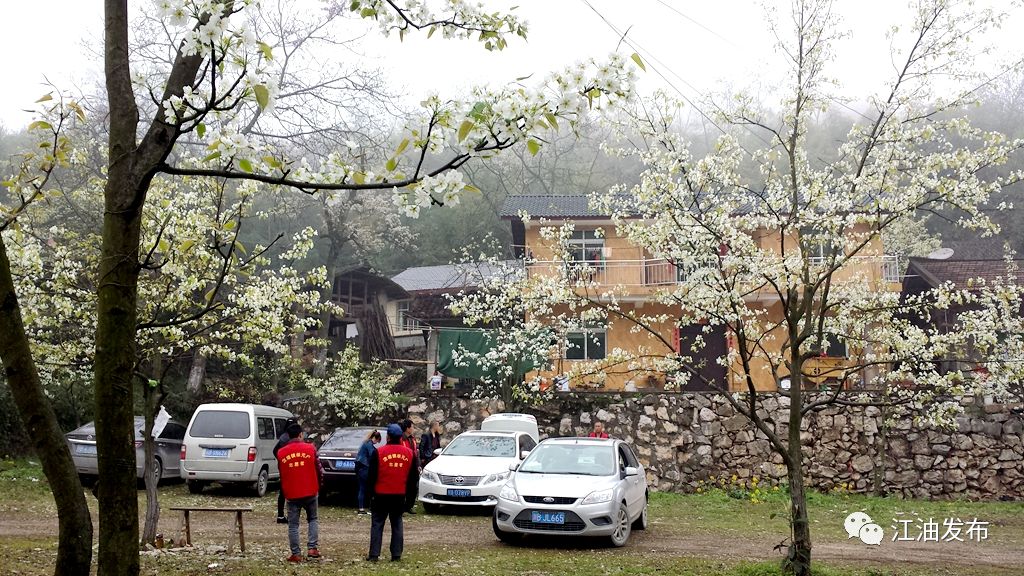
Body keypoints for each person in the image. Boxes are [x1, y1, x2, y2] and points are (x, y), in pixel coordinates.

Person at [366, 423, 418, 562]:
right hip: (399, 495)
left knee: (377, 524)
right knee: (397, 524)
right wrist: (410, 501)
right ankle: (396, 555)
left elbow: (371, 477)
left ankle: (374, 554)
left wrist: (368, 496)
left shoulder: (378, 452)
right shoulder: (410, 454)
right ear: (400, 436)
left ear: (388, 437)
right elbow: (413, 480)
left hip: (380, 495)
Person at [277, 421, 323, 562]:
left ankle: (296, 554)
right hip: (310, 490)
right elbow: (319, 469)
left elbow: (282, 473)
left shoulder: (281, 452)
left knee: (293, 525)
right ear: (300, 434)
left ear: (288, 436)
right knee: (313, 519)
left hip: (292, 493)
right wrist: (319, 485)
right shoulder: (311, 449)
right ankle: (312, 548)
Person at [272, 418, 297, 524]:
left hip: (283, 468)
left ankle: (280, 515)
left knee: (283, 491)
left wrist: (281, 460)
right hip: (293, 467)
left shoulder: (283, 437)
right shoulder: (292, 439)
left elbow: (275, 451)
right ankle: (293, 515)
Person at [355, 429, 381, 515]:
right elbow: (372, 455)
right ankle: (370, 508)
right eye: (377, 441)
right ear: (375, 438)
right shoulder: (369, 445)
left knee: (361, 488)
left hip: (360, 468)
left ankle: (361, 508)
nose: (376, 443)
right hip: (365, 468)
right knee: (370, 488)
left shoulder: (365, 443)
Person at [399, 419, 420, 513]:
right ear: (407, 428)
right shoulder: (401, 439)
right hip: (404, 466)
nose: (413, 429)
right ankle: (402, 507)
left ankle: (409, 506)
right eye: (412, 427)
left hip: (413, 465)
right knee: (403, 487)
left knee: (413, 487)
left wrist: (418, 465)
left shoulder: (412, 439)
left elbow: (416, 453)